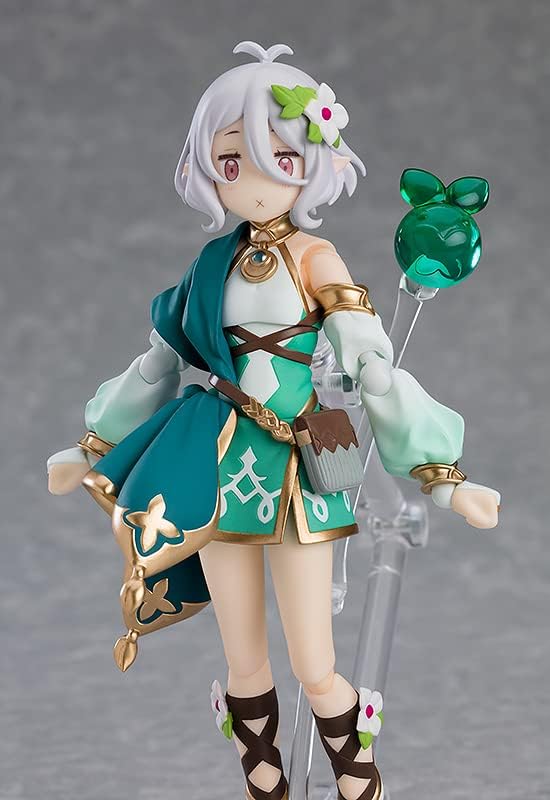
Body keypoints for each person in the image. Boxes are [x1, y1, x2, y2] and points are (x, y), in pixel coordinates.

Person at [47, 41, 500, 800]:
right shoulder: (207, 268)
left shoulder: (316, 258)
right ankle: (265, 779)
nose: (253, 180)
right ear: (207, 167)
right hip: (221, 469)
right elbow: (157, 364)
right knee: (244, 659)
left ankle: (358, 777)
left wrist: (441, 475)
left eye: (279, 159)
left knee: (315, 664)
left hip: (303, 461)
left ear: (312, 163)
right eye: (232, 161)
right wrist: (91, 442)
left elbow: (372, 363)